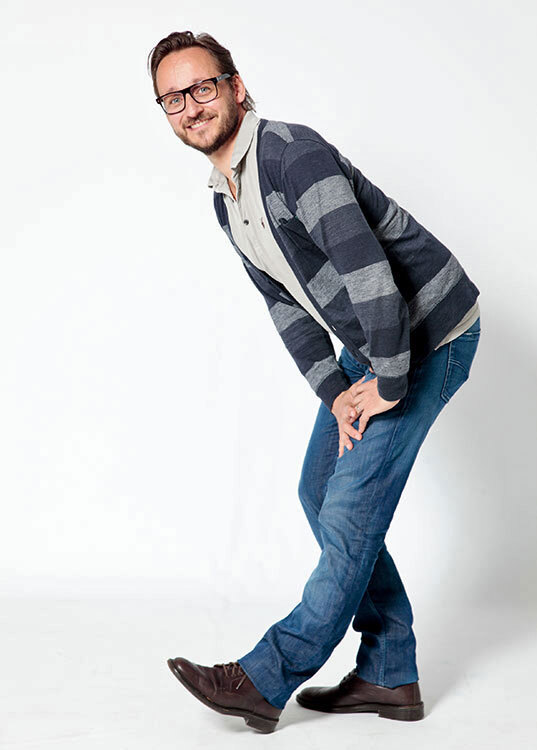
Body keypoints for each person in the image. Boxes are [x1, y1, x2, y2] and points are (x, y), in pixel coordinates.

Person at [147, 30, 481, 734]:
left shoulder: (291, 157)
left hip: (429, 334)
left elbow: (370, 274)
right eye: (173, 98)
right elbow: (285, 306)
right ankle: (390, 672)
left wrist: (388, 383)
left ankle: (264, 678)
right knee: (320, 492)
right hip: (377, 341)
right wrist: (335, 393)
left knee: (350, 509)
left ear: (235, 87)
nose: (191, 107)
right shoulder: (226, 196)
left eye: (202, 87)